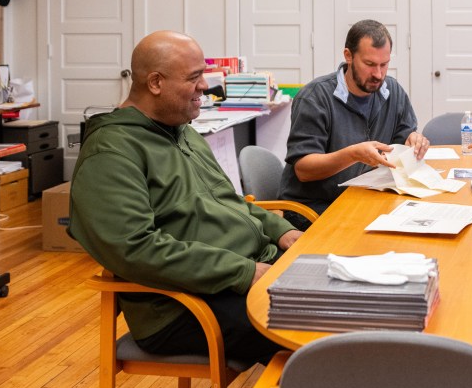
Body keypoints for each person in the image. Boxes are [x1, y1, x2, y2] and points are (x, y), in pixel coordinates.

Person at [69, 30, 301, 366]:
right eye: (194, 77)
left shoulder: (183, 132)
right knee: (315, 324)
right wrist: (244, 272)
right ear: (155, 83)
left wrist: (281, 231)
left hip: (237, 274)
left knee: (340, 298)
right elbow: (135, 249)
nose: (205, 86)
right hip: (180, 306)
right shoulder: (111, 151)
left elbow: (228, 199)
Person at [279, 19, 430, 222]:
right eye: (369, 64)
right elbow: (304, 170)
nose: (378, 74)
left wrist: (413, 140)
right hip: (316, 209)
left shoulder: (392, 92)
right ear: (348, 56)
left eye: (384, 65)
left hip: (364, 200)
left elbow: (400, 143)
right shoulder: (315, 97)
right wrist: (352, 155)